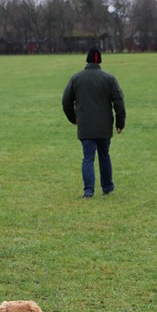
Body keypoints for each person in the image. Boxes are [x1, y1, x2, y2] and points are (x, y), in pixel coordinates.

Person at [62, 46, 126, 198]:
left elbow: (66, 101)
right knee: (104, 156)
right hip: (104, 126)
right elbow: (119, 102)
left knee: (88, 158)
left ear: (87, 60)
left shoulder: (76, 78)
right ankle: (107, 187)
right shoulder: (109, 78)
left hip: (85, 126)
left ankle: (88, 192)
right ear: (100, 61)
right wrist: (120, 123)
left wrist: (73, 118)